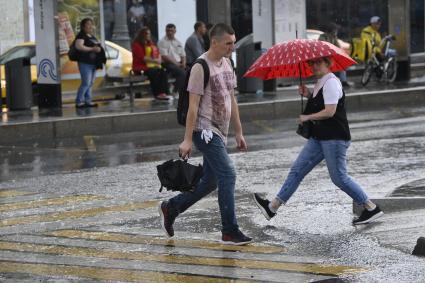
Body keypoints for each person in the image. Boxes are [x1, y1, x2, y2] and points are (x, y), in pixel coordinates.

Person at [253, 56, 384, 225]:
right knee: (297, 171)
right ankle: (272, 207)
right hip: (320, 138)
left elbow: (330, 111)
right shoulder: (321, 82)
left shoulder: (331, 82)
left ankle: (371, 208)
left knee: (339, 178)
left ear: (328, 64)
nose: (314, 66)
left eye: (318, 62)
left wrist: (307, 116)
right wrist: (308, 94)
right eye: (312, 63)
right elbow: (322, 104)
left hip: (334, 138)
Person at [159, 23, 252, 245]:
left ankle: (171, 208)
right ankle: (229, 230)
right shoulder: (200, 67)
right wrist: (188, 139)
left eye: (233, 42)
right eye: (228, 43)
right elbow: (193, 107)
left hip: (221, 131)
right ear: (215, 42)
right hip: (205, 131)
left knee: (210, 182)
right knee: (228, 174)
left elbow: (232, 99)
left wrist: (239, 131)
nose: (232, 47)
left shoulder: (228, 63)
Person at [75, 18, 106, 108]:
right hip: (85, 63)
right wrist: (92, 49)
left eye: (91, 24)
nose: (90, 26)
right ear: (83, 26)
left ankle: (88, 100)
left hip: (93, 63)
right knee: (86, 82)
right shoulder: (81, 35)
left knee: (91, 82)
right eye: (88, 24)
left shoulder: (91, 36)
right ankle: (79, 101)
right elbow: (79, 46)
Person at [131, 27, 169, 100]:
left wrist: (159, 59)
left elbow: (157, 52)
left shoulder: (149, 43)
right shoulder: (136, 45)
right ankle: (157, 93)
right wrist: (155, 61)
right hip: (140, 67)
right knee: (154, 72)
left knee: (162, 71)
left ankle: (164, 93)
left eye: (149, 34)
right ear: (143, 35)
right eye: (147, 34)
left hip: (151, 66)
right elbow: (143, 58)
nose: (149, 35)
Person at [318, 23, 350, 88]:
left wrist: (341, 53)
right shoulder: (322, 37)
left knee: (342, 64)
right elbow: (325, 48)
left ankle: (343, 81)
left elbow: (338, 47)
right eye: (335, 31)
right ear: (331, 31)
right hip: (323, 58)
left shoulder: (333, 37)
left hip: (331, 57)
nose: (336, 32)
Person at [158, 23, 186, 94]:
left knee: (191, 71)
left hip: (178, 63)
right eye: (168, 31)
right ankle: (175, 91)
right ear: (165, 31)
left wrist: (183, 63)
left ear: (175, 31)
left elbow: (183, 55)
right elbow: (165, 57)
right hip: (168, 64)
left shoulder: (178, 42)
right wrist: (177, 64)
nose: (169, 32)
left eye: (171, 31)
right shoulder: (162, 42)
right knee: (182, 73)